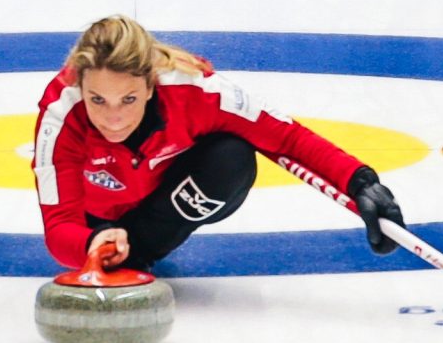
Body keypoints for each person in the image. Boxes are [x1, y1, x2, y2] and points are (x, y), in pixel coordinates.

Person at [34, 16, 406, 276]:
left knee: (231, 158)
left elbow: (286, 137)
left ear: (151, 85)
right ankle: (117, 245)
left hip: (164, 203)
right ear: (80, 88)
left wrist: (360, 182)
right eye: (97, 100)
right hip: (97, 220)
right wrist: (91, 242)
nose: (113, 117)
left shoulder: (197, 91)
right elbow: (59, 227)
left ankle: (140, 252)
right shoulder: (61, 113)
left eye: (128, 99)